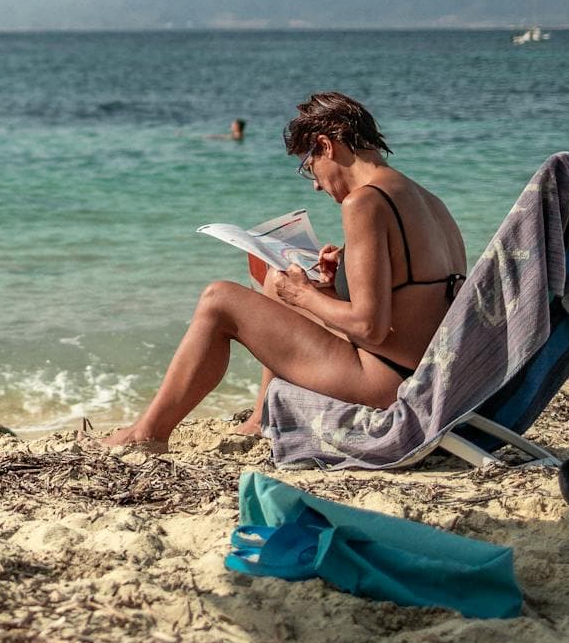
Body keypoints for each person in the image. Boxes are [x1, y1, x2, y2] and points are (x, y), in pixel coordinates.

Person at [104, 92, 466, 453]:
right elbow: (413, 301)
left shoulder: (365, 201)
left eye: (309, 167)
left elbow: (369, 326)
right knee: (273, 285)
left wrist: (303, 295)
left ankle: (148, 434)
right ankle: (261, 417)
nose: (316, 184)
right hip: (424, 374)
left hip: (388, 381)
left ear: (325, 146)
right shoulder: (429, 201)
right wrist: (336, 281)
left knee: (219, 300)